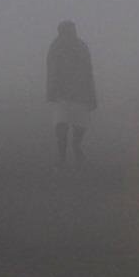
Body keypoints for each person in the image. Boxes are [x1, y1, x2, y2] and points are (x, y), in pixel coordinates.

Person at [46, 20, 97, 167]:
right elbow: (51, 70)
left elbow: (88, 72)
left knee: (79, 124)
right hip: (61, 94)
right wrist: (51, 90)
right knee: (61, 124)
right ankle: (62, 154)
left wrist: (92, 96)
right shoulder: (55, 47)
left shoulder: (81, 47)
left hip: (80, 93)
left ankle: (76, 147)